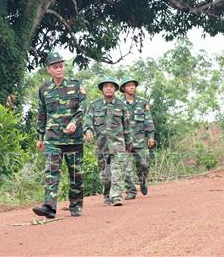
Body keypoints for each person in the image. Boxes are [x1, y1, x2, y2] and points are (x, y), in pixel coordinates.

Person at [32, 52, 87, 218]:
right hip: (52, 138)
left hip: (74, 138)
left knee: (76, 174)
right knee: (51, 172)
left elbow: (83, 108)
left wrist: (74, 122)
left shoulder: (76, 85)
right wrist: (40, 137)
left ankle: (76, 205)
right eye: (55, 67)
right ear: (49, 69)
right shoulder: (44, 89)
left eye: (61, 66)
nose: (59, 69)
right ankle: (49, 206)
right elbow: (42, 113)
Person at [84, 76, 132, 206]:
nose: (109, 88)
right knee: (104, 175)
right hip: (101, 146)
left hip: (118, 144)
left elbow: (127, 126)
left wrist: (129, 143)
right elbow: (88, 122)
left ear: (115, 89)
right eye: (106, 86)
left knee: (117, 171)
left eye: (111, 86)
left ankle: (116, 196)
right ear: (102, 89)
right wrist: (88, 131)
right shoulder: (94, 105)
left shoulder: (122, 106)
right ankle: (106, 194)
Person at [120, 76, 156, 199]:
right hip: (124, 141)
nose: (132, 87)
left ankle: (143, 180)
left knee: (144, 164)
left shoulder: (142, 102)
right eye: (129, 85)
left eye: (133, 85)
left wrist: (151, 136)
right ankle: (130, 191)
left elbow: (148, 120)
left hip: (140, 140)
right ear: (124, 88)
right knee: (125, 167)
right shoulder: (119, 103)